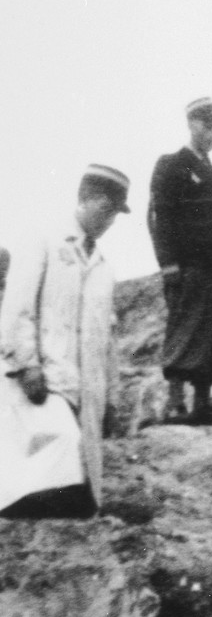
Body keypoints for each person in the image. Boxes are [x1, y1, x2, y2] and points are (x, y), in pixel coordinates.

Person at [0, 164, 130, 518]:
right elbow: (17, 306)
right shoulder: (44, 238)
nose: (108, 221)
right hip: (43, 381)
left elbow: (108, 342)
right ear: (84, 199)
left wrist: (111, 399)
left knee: (80, 487)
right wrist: (26, 364)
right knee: (52, 455)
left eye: (115, 214)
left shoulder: (104, 268)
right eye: (105, 210)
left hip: (84, 391)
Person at [148, 96, 212, 426]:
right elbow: (161, 219)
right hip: (188, 266)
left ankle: (202, 404)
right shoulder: (171, 164)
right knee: (184, 331)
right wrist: (168, 264)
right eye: (206, 125)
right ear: (191, 124)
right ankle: (175, 404)